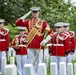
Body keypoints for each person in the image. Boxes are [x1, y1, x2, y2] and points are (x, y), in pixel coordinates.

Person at [15, 7, 53, 75]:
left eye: (36, 12)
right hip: (30, 45)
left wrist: (46, 40)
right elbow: (17, 23)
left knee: (39, 62)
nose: (35, 14)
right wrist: (28, 13)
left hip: (39, 45)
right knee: (31, 63)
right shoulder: (28, 21)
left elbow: (51, 32)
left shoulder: (43, 22)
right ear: (32, 13)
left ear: (39, 12)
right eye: (33, 12)